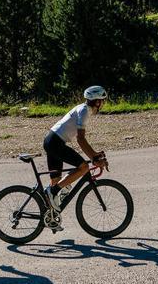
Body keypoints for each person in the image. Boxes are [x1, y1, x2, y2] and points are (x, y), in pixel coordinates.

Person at [43, 86, 108, 227]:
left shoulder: (84, 109)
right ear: (97, 102)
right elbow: (80, 139)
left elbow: (81, 140)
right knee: (84, 167)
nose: (103, 104)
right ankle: (54, 190)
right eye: (103, 101)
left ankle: (51, 218)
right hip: (55, 142)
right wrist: (93, 158)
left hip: (52, 140)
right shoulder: (84, 111)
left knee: (56, 180)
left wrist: (94, 154)